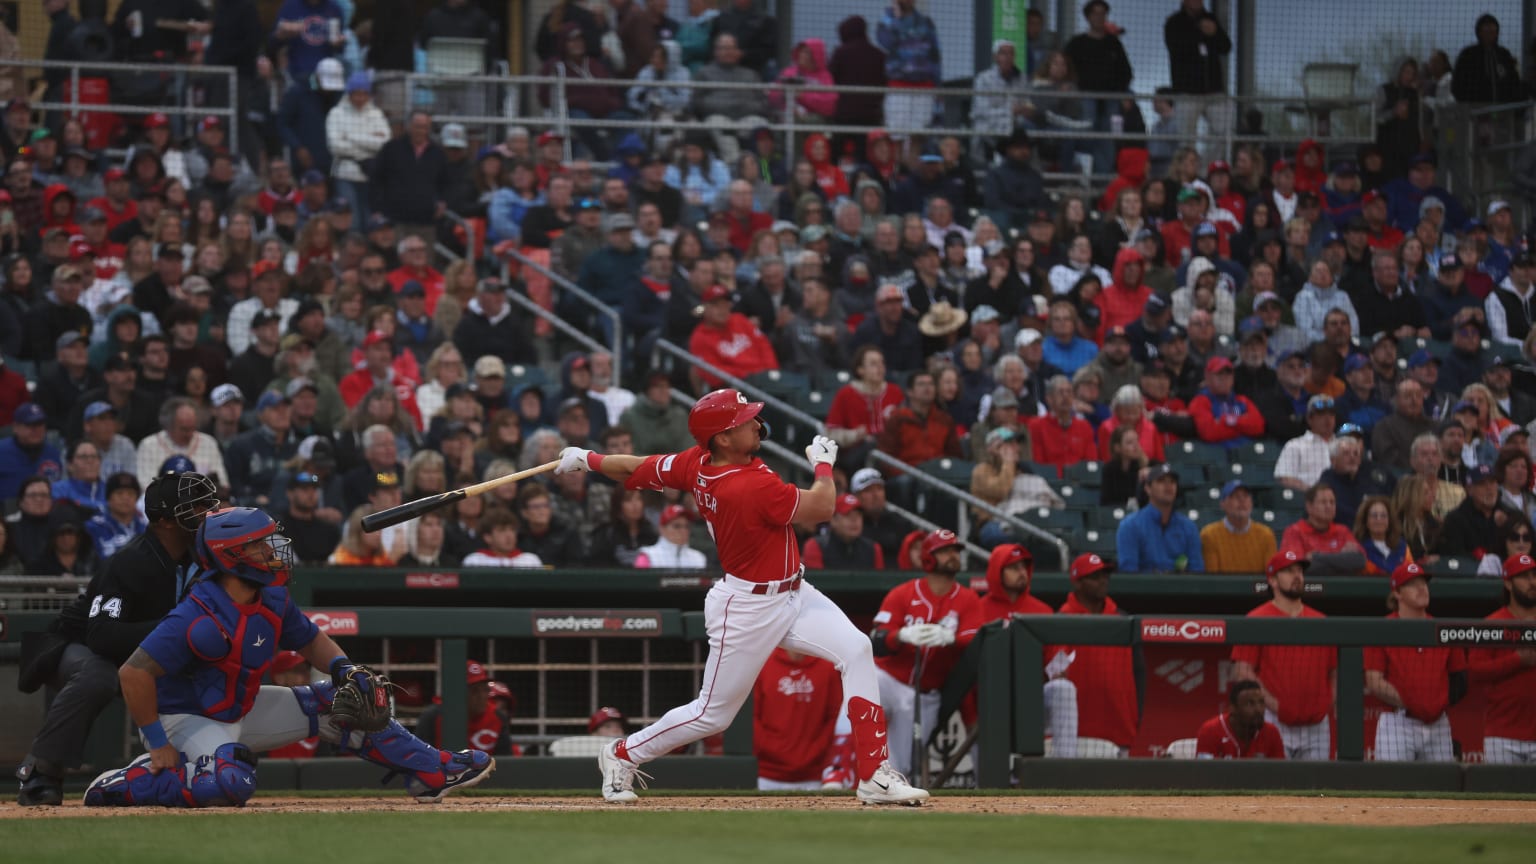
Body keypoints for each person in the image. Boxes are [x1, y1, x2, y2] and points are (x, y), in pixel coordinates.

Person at [554, 388, 929, 804]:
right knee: (713, 714)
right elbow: (823, 507)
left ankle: (874, 774)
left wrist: (587, 459)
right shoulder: (744, 485)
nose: (754, 423)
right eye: (743, 421)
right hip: (748, 605)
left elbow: (638, 466)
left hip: (794, 591)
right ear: (722, 439)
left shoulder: (698, 461)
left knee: (857, 648)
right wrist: (823, 464)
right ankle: (622, 753)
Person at [82, 507, 494, 807]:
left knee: (344, 699)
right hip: (186, 719)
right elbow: (133, 673)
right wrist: (157, 744)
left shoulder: (272, 596)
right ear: (232, 555)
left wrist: (344, 669)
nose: (273, 550)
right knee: (230, 785)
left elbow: (311, 640)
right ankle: (133, 781)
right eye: (260, 545)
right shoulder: (197, 613)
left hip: (239, 711)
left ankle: (430, 771)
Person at [14, 472, 218, 806]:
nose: (205, 512)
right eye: (193, 507)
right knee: (99, 676)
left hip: (140, 655)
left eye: (205, 504)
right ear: (165, 520)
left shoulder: (200, 557)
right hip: (74, 644)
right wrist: (174, 629)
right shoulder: (130, 560)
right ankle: (40, 773)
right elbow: (102, 636)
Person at [869, 530, 980, 778]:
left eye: (956, 551)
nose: (953, 555)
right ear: (929, 557)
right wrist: (900, 636)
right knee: (861, 687)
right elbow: (875, 638)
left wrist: (952, 638)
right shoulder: (903, 593)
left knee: (901, 770)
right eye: (946, 550)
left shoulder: (968, 598)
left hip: (925, 694)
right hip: (889, 679)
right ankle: (838, 767)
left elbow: (976, 638)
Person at [1229, 550, 1336, 760]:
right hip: (1274, 719)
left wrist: (1326, 704)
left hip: (1317, 723)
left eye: (1299, 571)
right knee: (1274, 787)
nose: (1297, 576)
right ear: (1273, 581)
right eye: (1288, 571)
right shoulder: (1256, 619)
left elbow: (1334, 672)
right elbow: (1243, 670)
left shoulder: (1321, 621)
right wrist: (1274, 705)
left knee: (1317, 788)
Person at [1365, 562, 1467, 762]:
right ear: (1397, 593)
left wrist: (1435, 704)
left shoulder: (1442, 629)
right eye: (1412, 584)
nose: (1422, 588)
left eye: (1423, 582)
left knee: (1440, 790)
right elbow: (1374, 680)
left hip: (1438, 723)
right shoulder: (1383, 628)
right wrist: (1411, 703)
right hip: (1398, 721)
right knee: (1393, 788)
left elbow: (1460, 679)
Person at [1054, 553, 1142, 757]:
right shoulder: (1060, 621)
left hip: (1119, 730)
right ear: (1077, 583)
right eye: (1095, 577)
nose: (1103, 581)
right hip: (1076, 735)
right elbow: (1054, 677)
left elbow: (1139, 673)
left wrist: (1135, 716)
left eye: (1105, 575)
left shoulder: (1123, 619)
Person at [1469, 552, 1536, 763]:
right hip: (1502, 734)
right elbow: (1474, 671)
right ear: (1508, 584)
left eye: (1534, 576)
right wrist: (1517, 660)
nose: (1532, 582)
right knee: (1501, 796)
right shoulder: (1492, 623)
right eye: (1524, 577)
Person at [752, 647, 843, 791]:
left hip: (812, 774)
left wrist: (816, 750)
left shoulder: (827, 668)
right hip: (767, 772)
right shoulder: (762, 663)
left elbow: (834, 716)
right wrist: (766, 747)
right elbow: (752, 715)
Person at [1164, 0, 1232, 145]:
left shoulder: (1211, 18)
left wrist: (1215, 33)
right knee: (1186, 139)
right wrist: (1198, 33)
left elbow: (1226, 47)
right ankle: (1189, 166)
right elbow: (1176, 49)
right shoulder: (1174, 22)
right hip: (1187, 92)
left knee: (1225, 134)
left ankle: (1207, 167)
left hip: (1214, 91)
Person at [414, 661, 513, 756]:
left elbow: (505, 763)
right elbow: (420, 759)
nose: (481, 696)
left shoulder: (498, 717)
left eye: (485, 690)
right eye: (474, 691)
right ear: (457, 692)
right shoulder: (433, 716)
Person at [1117, 465, 1204, 573]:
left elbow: (1197, 570)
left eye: (1172, 482)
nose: (1168, 486)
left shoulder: (1189, 527)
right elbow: (1128, 572)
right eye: (1161, 481)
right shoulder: (1131, 525)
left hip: (1181, 588)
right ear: (1148, 489)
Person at [875, 0, 941, 136]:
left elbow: (935, 56)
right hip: (899, 88)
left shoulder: (926, 23)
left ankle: (913, 158)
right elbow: (886, 42)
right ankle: (899, 159)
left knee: (918, 135)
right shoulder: (887, 21)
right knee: (897, 135)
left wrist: (938, 85)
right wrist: (896, 18)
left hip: (924, 87)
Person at [1441, 465, 1523, 558]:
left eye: (1492, 482)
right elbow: (1455, 556)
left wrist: (1507, 527)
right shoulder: (1456, 520)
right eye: (1481, 483)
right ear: (1469, 489)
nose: (1489, 488)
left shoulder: (1512, 516)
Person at [1200, 479, 1277, 574]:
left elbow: (1270, 577)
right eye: (1234, 496)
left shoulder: (1266, 535)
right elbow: (1213, 579)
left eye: (1246, 496)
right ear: (1222, 504)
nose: (1242, 500)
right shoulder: (1209, 535)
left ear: (1251, 503)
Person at [1195, 680, 1285, 759]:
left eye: (1261, 702)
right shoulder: (1210, 731)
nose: (1258, 709)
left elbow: (1280, 775)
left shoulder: (1271, 732)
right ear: (1233, 708)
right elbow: (1204, 774)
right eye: (1250, 703)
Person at [802, 494, 884, 570]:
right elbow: (815, 582)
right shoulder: (815, 546)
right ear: (833, 520)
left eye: (858, 515)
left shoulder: (873, 549)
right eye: (848, 515)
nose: (855, 520)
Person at [1279, 484, 1362, 559]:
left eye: (1332, 502)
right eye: (1323, 502)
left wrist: (1316, 558)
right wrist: (1341, 557)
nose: (1328, 506)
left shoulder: (1342, 531)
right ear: (1309, 507)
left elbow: (1360, 559)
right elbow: (1294, 563)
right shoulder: (1294, 531)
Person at [0, 403, 63, 500]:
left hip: (46, 510)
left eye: (40, 424)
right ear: (16, 427)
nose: (36, 430)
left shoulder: (53, 454)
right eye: (30, 425)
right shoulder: (2, 452)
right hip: (7, 511)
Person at [1275, 396, 1338, 490]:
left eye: (1331, 414)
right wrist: (1314, 494)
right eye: (1321, 414)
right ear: (1309, 419)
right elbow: (1285, 478)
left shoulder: (1343, 445)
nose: (1327, 418)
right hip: (1308, 499)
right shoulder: (1294, 445)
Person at [460, 506, 543, 568]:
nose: (509, 535)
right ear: (487, 537)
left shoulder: (530, 560)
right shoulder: (474, 561)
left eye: (512, 530)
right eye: (502, 530)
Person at [634, 504, 708, 569]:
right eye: (677, 526)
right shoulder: (648, 556)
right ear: (662, 529)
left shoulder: (699, 558)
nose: (683, 530)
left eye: (687, 526)